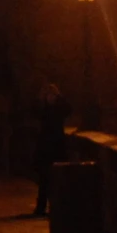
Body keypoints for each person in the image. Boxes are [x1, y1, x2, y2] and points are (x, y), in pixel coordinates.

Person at [31, 80, 72, 216]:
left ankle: (54, 207)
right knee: (45, 180)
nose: (50, 98)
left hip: (56, 147)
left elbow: (68, 109)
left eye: (52, 95)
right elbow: (35, 112)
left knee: (56, 180)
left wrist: (59, 97)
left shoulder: (59, 109)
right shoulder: (44, 110)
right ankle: (42, 207)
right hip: (46, 148)